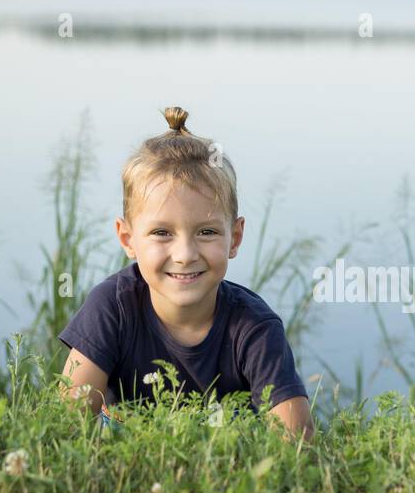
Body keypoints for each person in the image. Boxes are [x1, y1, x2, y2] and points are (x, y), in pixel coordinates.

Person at [57, 106, 314, 440]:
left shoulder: (255, 328)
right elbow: (67, 420)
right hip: (132, 462)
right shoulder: (113, 307)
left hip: (227, 468)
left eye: (206, 232)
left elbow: (297, 440)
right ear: (127, 238)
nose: (185, 255)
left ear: (234, 238)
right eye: (162, 233)